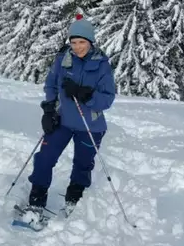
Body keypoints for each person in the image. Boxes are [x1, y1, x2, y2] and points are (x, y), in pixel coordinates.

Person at [26, 14, 116, 212]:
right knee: (44, 158)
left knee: (82, 164)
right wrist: (49, 109)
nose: (77, 47)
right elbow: (51, 84)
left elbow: (108, 99)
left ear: (90, 41)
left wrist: (86, 95)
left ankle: (73, 201)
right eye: (73, 42)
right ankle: (36, 202)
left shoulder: (101, 64)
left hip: (90, 126)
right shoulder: (63, 58)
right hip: (63, 121)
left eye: (81, 42)